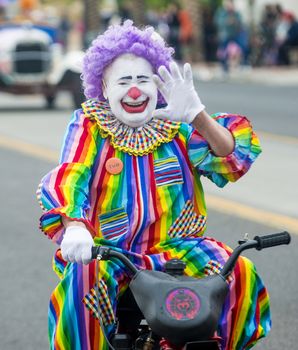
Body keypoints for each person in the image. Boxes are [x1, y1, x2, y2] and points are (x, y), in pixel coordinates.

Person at [37, 20, 270, 350]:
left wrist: (197, 116)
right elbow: (70, 173)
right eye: (124, 81)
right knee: (81, 284)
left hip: (177, 248)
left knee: (238, 273)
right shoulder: (90, 125)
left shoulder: (175, 125)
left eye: (143, 79)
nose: (135, 90)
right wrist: (75, 226)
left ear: (157, 84)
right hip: (111, 253)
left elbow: (231, 160)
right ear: (104, 87)